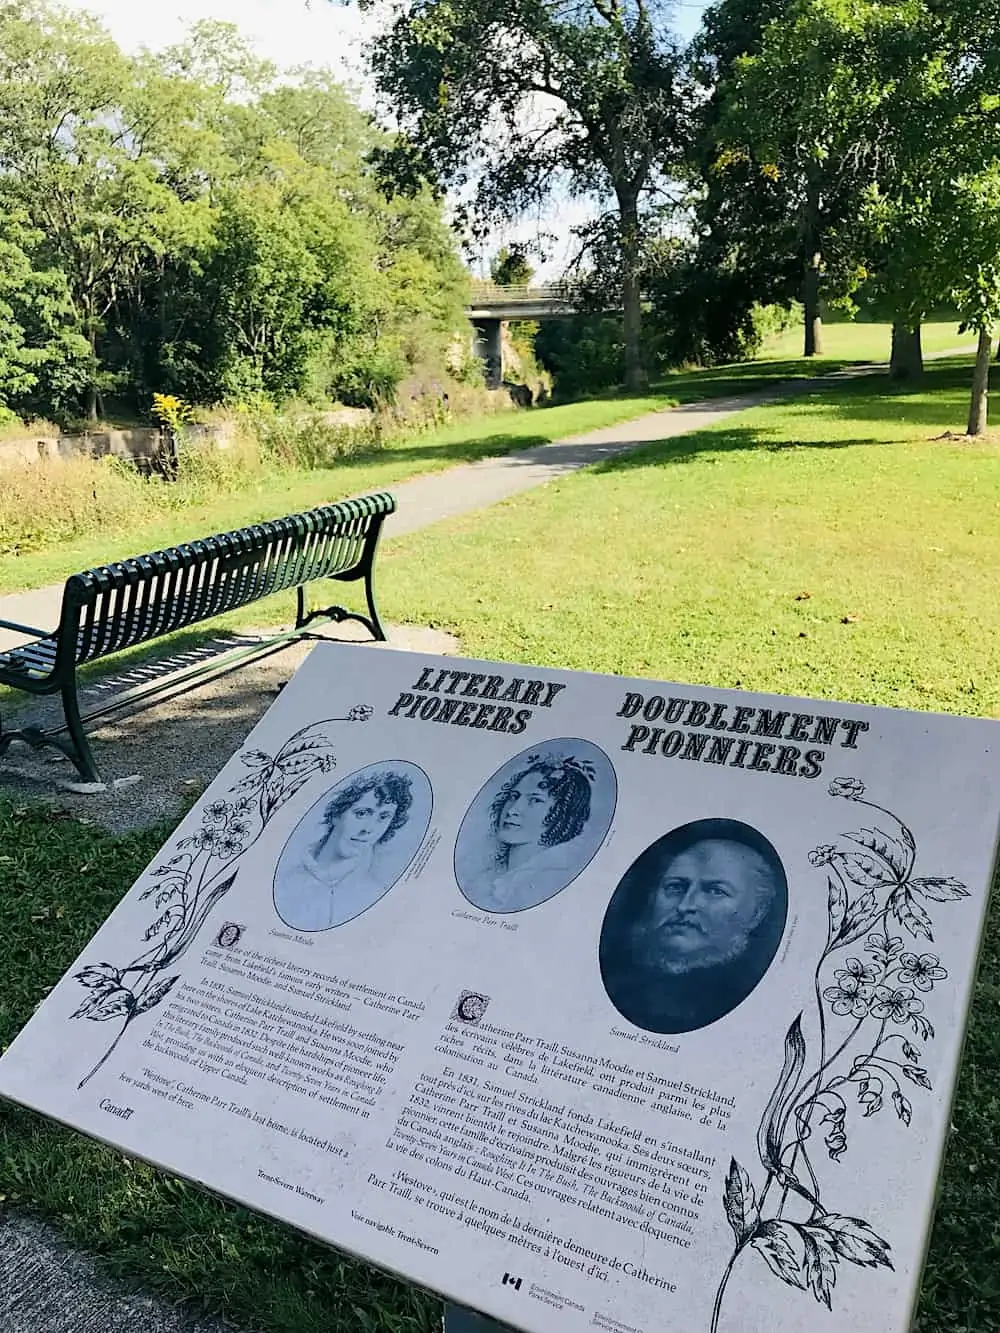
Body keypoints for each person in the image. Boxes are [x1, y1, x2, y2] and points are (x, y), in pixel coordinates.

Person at [600, 822, 786, 1033]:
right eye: (675, 887)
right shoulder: (619, 980)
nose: (685, 905)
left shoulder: (756, 1000)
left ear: (756, 913)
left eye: (715, 891)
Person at [279, 770, 414, 931]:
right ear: (337, 814)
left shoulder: (376, 896)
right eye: (362, 813)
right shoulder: (285, 879)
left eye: (383, 817)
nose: (369, 829)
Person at [463, 753, 595, 912]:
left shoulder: (549, 880)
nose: (512, 810)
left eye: (535, 800)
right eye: (513, 796)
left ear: (562, 813)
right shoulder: (487, 877)